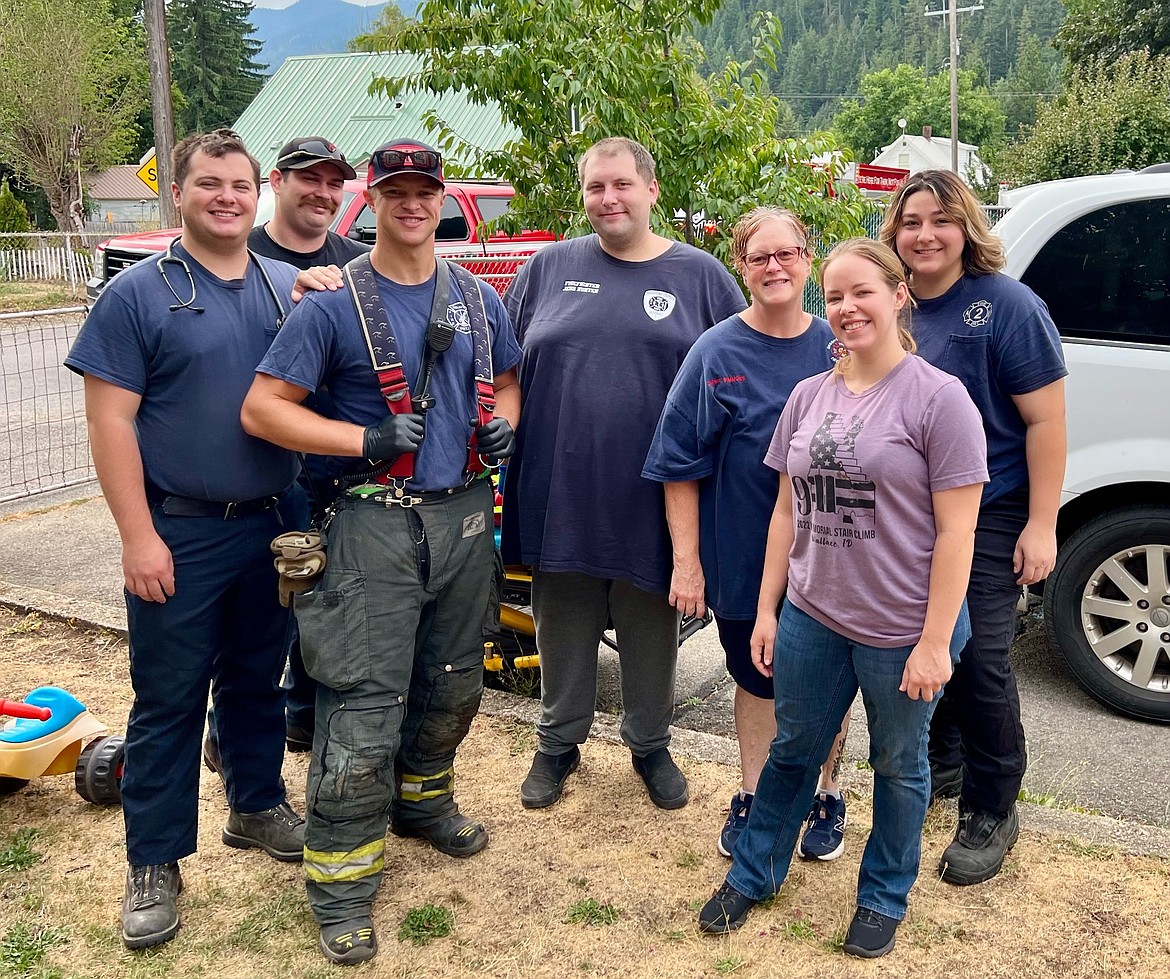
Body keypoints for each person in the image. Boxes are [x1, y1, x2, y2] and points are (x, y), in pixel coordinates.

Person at [240, 138, 521, 966]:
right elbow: (263, 409)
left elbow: (507, 378)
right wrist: (360, 436)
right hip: (370, 524)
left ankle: (423, 802)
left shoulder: (476, 297)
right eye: (394, 189)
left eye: (423, 191)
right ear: (375, 197)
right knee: (362, 707)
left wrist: (509, 420)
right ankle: (341, 882)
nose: (410, 203)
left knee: (455, 681)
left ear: (442, 200)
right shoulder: (331, 303)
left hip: (466, 518)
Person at [698, 239, 986, 959]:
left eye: (862, 292)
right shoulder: (809, 394)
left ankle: (883, 894)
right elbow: (786, 513)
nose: (847, 308)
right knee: (793, 750)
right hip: (813, 617)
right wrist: (768, 609)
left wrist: (932, 640)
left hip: (901, 629)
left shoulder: (938, 399)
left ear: (897, 296)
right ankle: (755, 870)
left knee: (899, 762)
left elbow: (958, 533)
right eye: (834, 296)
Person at [64, 129, 306, 951]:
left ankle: (256, 802)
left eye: (241, 184)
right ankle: (154, 862)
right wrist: (138, 535)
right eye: (211, 184)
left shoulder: (285, 289)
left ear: (259, 194)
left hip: (272, 524)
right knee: (169, 698)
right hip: (182, 530)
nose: (229, 197)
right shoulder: (136, 296)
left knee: (255, 678)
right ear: (180, 193)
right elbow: (111, 421)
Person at [500, 137, 746, 812]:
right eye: (595, 187)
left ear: (651, 191)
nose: (608, 199)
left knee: (650, 625)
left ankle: (650, 743)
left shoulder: (700, 277)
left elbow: (741, 368)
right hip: (560, 490)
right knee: (561, 622)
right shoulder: (546, 268)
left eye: (621, 185)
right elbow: (504, 368)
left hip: (659, 496)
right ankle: (557, 742)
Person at [644, 207, 853, 861]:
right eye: (759, 257)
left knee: (827, 686)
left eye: (787, 253)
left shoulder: (839, 347)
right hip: (740, 559)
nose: (774, 267)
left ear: (807, 259)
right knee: (758, 681)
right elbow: (678, 464)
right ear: (741, 265)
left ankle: (825, 793)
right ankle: (756, 794)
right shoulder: (716, 353)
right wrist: (687, 563)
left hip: (833, 561)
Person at [879, 169, 1067, 886]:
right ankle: (946, 759)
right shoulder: (891, 308)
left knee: (982, 656)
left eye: (940, 220)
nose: (924, 234)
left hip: (989, 512)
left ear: (966, 229)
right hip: (905, 515)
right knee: (924, 641)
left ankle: (993, 804)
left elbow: (1045, 421)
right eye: (910, 221)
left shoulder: (1007, 305)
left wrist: (1042, 524)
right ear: (893, 233)